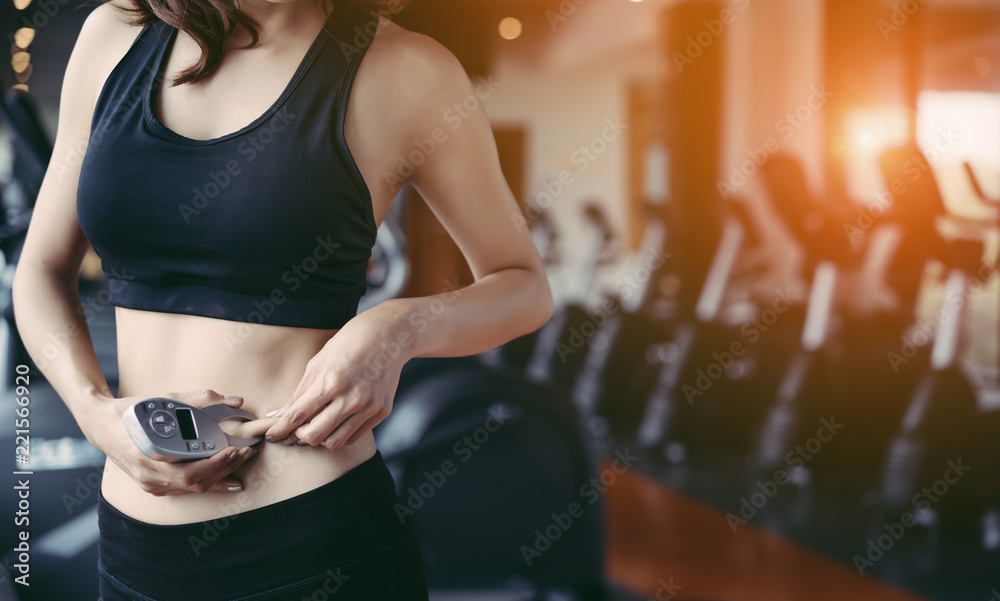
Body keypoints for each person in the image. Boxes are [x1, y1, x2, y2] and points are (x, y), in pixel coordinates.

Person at [10, 0, 553, 597]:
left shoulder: (406, 69)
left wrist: (397, 328)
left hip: (315, 547)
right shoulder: (114, 34)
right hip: (133, 549)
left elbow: (523, 285)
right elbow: (39, 269)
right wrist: (94, 414)